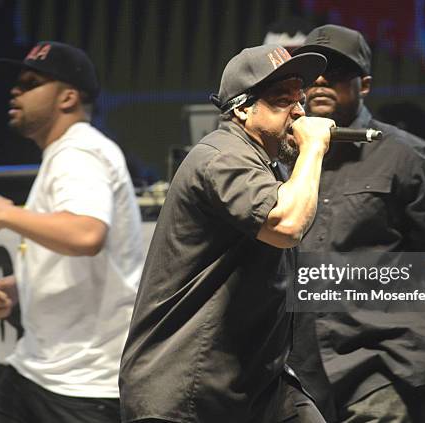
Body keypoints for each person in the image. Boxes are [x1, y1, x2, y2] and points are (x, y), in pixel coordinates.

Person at [119, 44, 333, 423]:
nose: (300, 111)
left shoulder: (266, 163)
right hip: (185, 388)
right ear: (242, 108)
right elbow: (287, 224)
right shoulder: (221, 156)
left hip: (253, 384)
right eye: (282, 100)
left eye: (299, 99)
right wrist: (313, 147)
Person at [288, 25, 425, 422]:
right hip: (298, 367)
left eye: (338, 71)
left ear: (366, 84)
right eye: (312, 72)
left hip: (379, 362)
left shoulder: (407, 158)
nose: (321, 80)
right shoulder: (287, 155)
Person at [0, 41, 144, 423]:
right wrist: (23, 283)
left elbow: (85, 234)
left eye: (31, 82)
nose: (15, 90)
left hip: (80, 387)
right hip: (37, 367)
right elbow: (71, 242)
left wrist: (4, 215)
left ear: (67, 98)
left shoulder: (78, 153)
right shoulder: (66, 153)